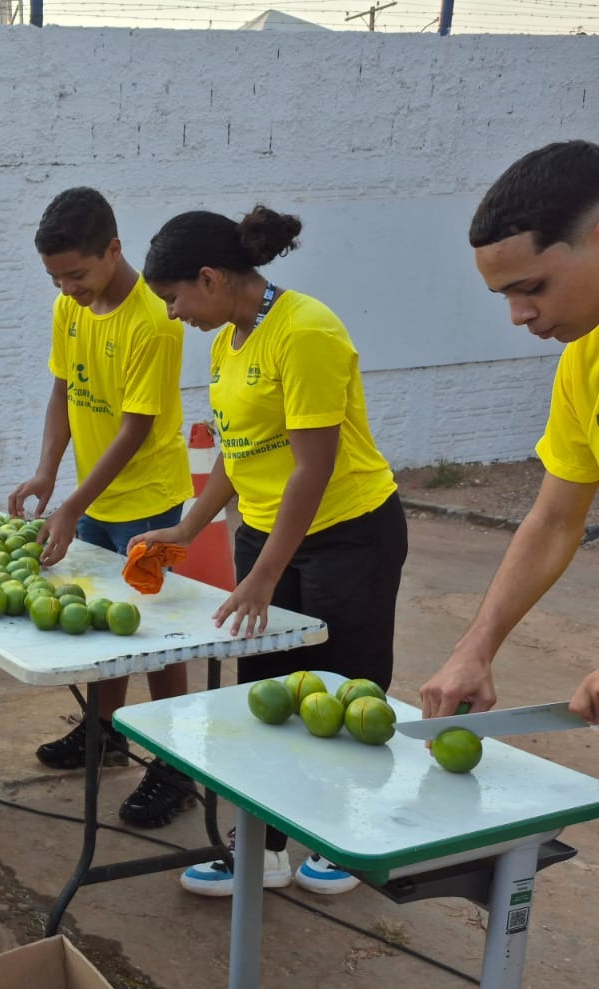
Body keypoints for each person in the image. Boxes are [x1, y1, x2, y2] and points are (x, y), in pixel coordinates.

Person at [134, 204, 406, 899]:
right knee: (271, 696)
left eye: (173, 298)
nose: (171, 315)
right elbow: (240, 452)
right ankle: (267, 845)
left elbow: (312, 467)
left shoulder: (306, 331)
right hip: (269, 533)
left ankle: (344, 836)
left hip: (348, 535)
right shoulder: (230, 339)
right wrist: (190, 529)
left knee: (345, 690)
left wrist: (261, 576)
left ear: (210, 277)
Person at [417, 140, 599, 989]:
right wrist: (475, 643)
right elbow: (555, 515)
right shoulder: (586, 362)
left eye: (531, 286)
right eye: (503, 298)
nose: (520, 317)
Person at [9, 188, 197, 828]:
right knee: (100, 618)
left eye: (77, 274)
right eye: (56, 278)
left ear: (114, 249)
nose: (66, 288)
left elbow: (135, 429)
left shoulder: (154, 320)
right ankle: (104, 731)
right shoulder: (72, 306)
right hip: (92, 497)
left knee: (160, 635)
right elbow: (64, 391)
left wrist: (69, 504)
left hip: (150, 504)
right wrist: (46, 473)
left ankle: (176, 767)